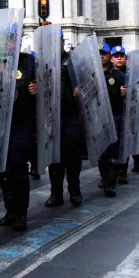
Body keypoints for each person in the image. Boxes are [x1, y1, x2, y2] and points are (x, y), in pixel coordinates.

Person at [46, 35, 84, 208]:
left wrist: (79, 91)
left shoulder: (73, 61)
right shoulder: (43, 62)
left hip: (71, 115)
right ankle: (56, 193)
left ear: (62, 42)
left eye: (57, 41)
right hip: (51, 117)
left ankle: (75, 190)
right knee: (54, 159)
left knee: (73, 158)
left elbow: (86, 81)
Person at [0, 51, 35, 231]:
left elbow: (44, 85)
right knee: (4, 170)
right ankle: (10, 210)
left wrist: (37, 88)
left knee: (19, 167)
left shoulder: (28, 61)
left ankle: (21, 212)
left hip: (21, 123)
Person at [98, 43, 125, 197]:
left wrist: (126, 91)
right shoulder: (92, 74)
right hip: (98, 117)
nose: (102, 56)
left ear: (109, 56)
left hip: (115, 115)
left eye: (105, 53)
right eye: (99, 53)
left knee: (113, 151)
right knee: (102, 152)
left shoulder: (118, 75)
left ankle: (111, 183)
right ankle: (104, 177)